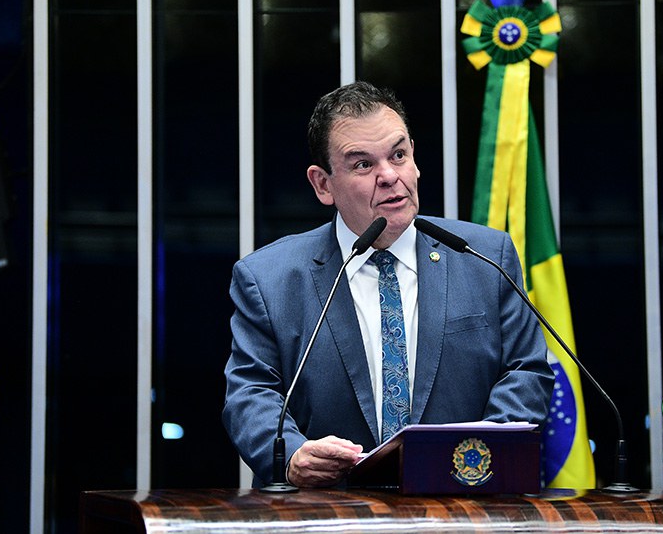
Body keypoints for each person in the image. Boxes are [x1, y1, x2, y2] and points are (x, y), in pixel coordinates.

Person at [223, 81, 554, 488]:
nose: (389, 176)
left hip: (462, 508)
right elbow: (251, 394)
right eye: (363, 164)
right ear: (322, 184)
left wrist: (475, 458)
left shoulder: (485, 257)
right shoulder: (269, 277)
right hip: (326, 513)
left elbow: (527, 371)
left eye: (399, 155)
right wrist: (291, 453)